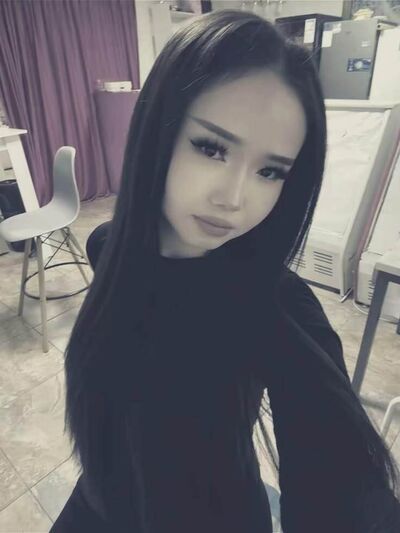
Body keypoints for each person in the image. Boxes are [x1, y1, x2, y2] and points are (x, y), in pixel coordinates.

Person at [50, 9, 400, 533]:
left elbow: (343, 483)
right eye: (211, 148)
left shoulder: (273, 305)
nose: (234, 198)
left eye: (270, 171)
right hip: (102, 503)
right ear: (158, 128)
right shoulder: (109, 247)